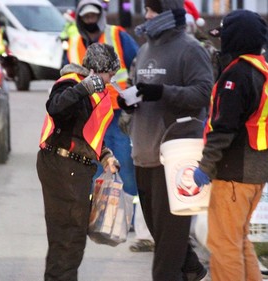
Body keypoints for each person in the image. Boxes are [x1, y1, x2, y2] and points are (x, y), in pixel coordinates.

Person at [117, 0, 214, 280]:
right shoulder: (146, 48)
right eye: (146, 9)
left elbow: (202, 94)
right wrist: (131, 101)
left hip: (174, 155)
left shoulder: (190, 49)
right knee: (163, 236)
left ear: (168, 14)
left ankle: (181, 272)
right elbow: (142, 89)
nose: (146, 15)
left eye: (152, 10)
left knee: (167, 251)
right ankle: (192, 269)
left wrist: (162, 92)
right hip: (143, 151)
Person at [192, 9, 268, 281]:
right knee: (239, 238)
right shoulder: (262, 69)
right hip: (256, 174)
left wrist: (206, 166)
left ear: (235, 39)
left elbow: (224, 128)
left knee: (223, 245)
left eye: (224, 36)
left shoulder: (236, 75)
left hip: (234, 173)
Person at [36, 42, 121, 281]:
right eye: (109, 75)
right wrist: (84, 88)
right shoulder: (70, 84)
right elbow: (56, 108)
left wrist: (105, 156)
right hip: (63, 166)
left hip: (74, 167)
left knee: (70, 236)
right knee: (67, 235)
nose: (110, 81)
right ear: (95, 71)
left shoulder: (91, 91)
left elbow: (84, 131)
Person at [65, 0, 139, 206]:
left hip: (117, 111)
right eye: (86, 17)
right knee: (94, 162)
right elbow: (66, 76)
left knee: (123, 159)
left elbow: (138, 64)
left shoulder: (117, 35)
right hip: (90, 114)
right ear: (80, 19)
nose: (90, 20)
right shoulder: (73, 43)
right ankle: (99, 210)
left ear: (100, 16)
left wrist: (131, 103)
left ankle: (128, 212)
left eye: (93, 16)